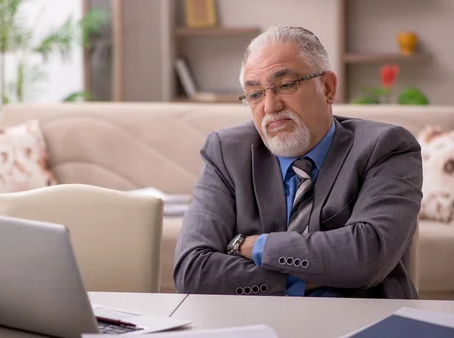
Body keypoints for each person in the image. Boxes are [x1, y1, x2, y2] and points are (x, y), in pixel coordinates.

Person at [173, 26, 422, 299]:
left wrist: (259, 247)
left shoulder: (387, 147)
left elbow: (368, 256)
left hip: (364, 321)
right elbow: (192, 270)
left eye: (286, 85)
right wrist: (312, 276)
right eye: (255, 94)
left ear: (327, 87)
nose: (270, 106)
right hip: (256, 323)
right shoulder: (226, 152)